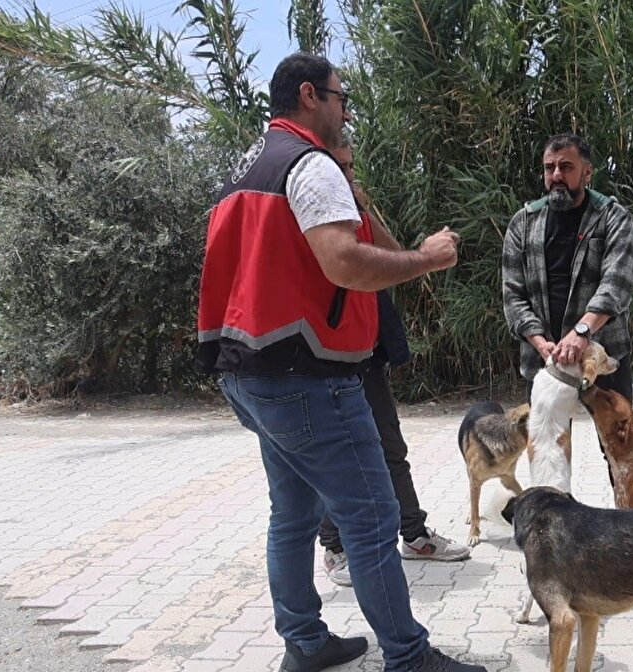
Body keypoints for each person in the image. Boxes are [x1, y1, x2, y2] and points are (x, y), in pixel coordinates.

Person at [196, 52, 485, 672]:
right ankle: (408, 656)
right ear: (310, 95)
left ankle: (303, 643)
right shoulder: (308, 164)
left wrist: (353, 196)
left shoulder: (248, 169)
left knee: (294, 513)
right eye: (340, 97)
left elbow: (355, 246)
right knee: (374, 516)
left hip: (249, 374)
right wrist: (430, 259)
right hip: (311, 376)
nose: (346, 110)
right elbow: (348, 264)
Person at [317, 138, 471, 590]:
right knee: (333, 455)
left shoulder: (351, 209)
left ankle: (414, 533)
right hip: (326, 355)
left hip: (367, 348)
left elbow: (397, 254)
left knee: (390, 445)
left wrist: (363, 207)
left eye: (350, 167)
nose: (347, 177)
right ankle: (335, 546)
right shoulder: (315, 220)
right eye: (339, 169)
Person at [501, 131, 633, 404]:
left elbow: (616, 285)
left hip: (602, 354)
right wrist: (541, 343)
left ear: (587, 173)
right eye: (549, 168)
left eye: (566, 167)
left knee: (620, 444)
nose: (556, 176)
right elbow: (513, 295)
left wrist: (581, 333)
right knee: (547, 445)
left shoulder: (613, 218)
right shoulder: (523, 223)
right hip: (544, 358)